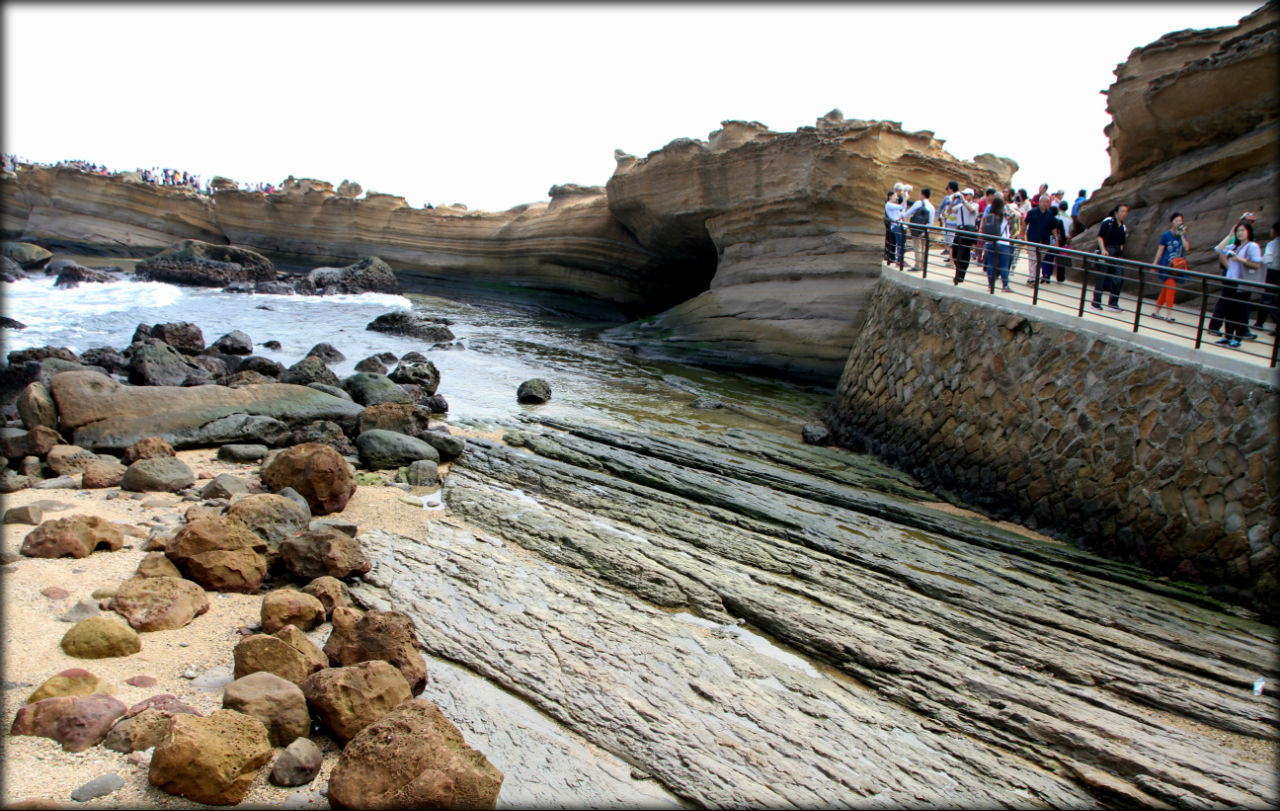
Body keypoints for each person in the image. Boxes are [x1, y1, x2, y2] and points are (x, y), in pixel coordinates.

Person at [1208, 212, 1259, 337]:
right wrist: (1231, 268)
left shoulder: (1251, 243)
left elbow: (1256, 263)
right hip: (1232, 277)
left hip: (1243, 278)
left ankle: (1240, 333)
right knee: (1228, 305)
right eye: (1247, 222)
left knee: (1239, 307)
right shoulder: (1235, 240)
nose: (1249, 225)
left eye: (1251, 223)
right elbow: (1220, 251)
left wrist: (1239, 263)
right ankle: (1224, 332)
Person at [1151, 212, 1190, 322]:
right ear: (1172, 222)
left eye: (1180, 220)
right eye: (1176, 220)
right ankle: (1169, 314)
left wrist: (1182, 235)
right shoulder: (1166, 235)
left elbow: (1187, 248)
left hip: (1176, 267)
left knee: (1166, 289)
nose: (1178, 222)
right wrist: (1155, 264)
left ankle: (1156, 311)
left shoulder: (1182, 235)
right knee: (1171, 287)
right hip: (1166, 265)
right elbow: (1160, 250)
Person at [1091, 204, 1129, 311]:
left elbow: (1122, 242)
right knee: (1102, 277)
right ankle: (1096, 301)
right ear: (1116, 212)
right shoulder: (1108, 222)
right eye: (1122, 211)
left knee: (1118, 277)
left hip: (1117, 253)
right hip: (1106, 251)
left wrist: (1120, 252)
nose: (1124, 214)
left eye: (1125, 212)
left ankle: (1113, 303)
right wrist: (1103, 249)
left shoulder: (1123, 227)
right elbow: (1100, 236)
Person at [1024, 194, 1061, 284]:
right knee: (1033, 259)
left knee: (1039, 260)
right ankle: (1033, 278)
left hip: (1045, 241)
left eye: (1047, 202)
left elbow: (1054, 228)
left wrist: (1056, 240)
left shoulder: (1050, 214)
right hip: (1033, 239)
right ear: (1039, 202)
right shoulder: (1032, 212)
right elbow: (1025, 223)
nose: (1045, 204)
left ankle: (1034, 277)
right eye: (1043, 202)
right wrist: (1022, 235)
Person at [1252, 221, 1280, 334]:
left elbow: (1268, 259)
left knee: (1267, 298)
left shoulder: (1272, 244)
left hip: (1273, 273)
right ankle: (1259, 322)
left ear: (1275, 231)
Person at [980, 195, 1012, 293]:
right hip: (1003, 242)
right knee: (1003, 265)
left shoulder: (988, 215)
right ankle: (1005, 286)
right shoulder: (1004, 215)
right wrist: (1009, 207)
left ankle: (990, 285)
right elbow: (1017, 216)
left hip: (990, 242)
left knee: (990, 264)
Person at [951, 188, 979, 285]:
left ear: (971, 195)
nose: (965, 196)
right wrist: (953, 200)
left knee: (964, 254)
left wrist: (963, 200)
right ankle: (958, 272)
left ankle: (960, 276)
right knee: (955, 252)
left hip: (968, 231)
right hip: (959, 231)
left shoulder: (975, 205)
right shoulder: (960, 205)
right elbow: (950, 210)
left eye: (966, 195)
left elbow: (971, 210)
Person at [903, 188, 934, 272]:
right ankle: (923, 265)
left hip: (917, 229)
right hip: (926, 230)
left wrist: (903, 218)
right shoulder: (931, 206)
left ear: (923, 194)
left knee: (917, 247)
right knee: (924, 248)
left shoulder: (918, 203)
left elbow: (907, 213)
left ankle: (917, 265)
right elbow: (931, 221)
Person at [937, 181, 961, 265]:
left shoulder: (954, 198)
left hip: (952, 223)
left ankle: (952, 261)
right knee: (951, 242)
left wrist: (940, 215)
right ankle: (952, 259)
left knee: (951, 243)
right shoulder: (957, 197)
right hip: (954, 223)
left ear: (951, 188)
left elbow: (942, 207)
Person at [884, 185, 907, 268]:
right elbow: (901, 206)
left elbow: (903, 207)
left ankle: (900, 259)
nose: (896, 197)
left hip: (898, 226)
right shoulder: (889, 205)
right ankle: (899, 261)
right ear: (890, 196)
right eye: (894, 196)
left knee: (901, 243)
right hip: (896, 226)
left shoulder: (892, 205)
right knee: (900, 243)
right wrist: (905, 198)